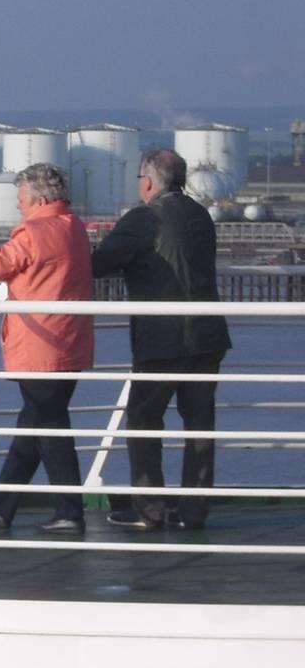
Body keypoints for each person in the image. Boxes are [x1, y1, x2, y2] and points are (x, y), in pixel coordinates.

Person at [91, 148, 232, 530]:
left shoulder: (143, 218)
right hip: (207, 335)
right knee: (200, 425)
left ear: (149, 181)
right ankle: (193, 511)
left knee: (142, 420)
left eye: (139, 178)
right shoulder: (199, 214)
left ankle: (148, 510)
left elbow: (100, 264)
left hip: (162, 338)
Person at [0, 163, 94, 533]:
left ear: (38, 198)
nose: (18, 205)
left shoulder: (32, 231)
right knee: (34, 423)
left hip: (38, 344)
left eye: (22, 198)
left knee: (50, 425)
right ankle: (0, 509)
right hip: (70, 341)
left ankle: (70, 511)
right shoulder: (74, 227)